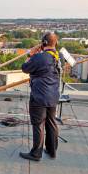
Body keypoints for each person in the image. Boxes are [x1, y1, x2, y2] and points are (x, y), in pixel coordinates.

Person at [19, 32, 64, 162]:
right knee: (51, 123)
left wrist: (31, 54)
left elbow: (25, 68)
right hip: (53, 96)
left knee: (38, 125)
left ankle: (36, 154)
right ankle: (51, 151)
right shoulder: (59, 55)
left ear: (43, 43)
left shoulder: (39, 57)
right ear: (56, 43)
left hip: (39, 96)